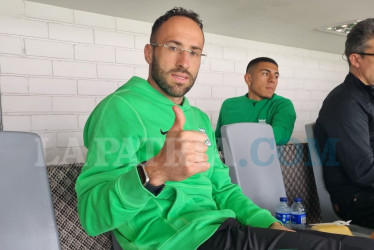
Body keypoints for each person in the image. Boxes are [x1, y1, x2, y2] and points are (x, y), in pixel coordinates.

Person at [75, 7, 374, 249]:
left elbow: (223, 189)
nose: (184, 61)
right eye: (173, 47)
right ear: (149, 53)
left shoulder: (198, 117)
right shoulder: (119, 108)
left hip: (225, 229)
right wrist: (155, 172)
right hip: (178, 241)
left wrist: (268, 224)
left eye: (194, 52)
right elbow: (91, 216)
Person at [314, 18, 374, 228]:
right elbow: (364, 170)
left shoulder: (368, 97)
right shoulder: (345, 103)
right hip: (355, 199)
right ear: (356, 60)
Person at [215, 57, 296, 146]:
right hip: (227, 160)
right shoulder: (229, 104)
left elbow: (280, 136)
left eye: (276, 76)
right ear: (248, 79)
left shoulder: (282, 105)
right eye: (265, 74)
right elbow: (218, 142)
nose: (273, 80)